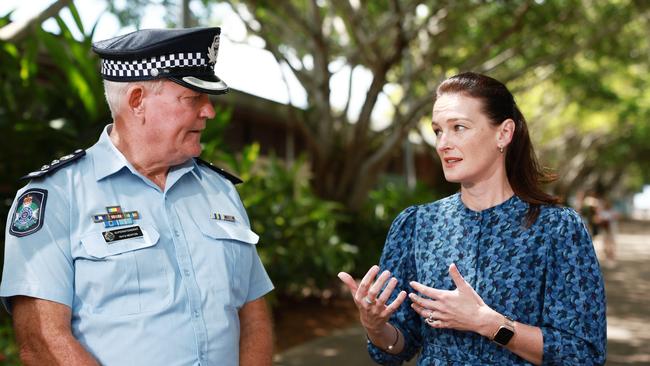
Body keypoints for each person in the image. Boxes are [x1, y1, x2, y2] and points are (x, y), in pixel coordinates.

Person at [1, 27, 274, 366]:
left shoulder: (220, 191)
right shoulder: (56, 196)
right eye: (193, 98)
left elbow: (253, 313)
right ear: (137, 101)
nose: (209, 112)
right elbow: (42, 341)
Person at [338, 72, 606, 365]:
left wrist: (487, 323)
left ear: (503, 133)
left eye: (459, 127)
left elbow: (583, 355)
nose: (443, 143)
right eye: (438, 130)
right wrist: (375, 326)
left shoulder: (557, 229)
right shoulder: (416, 225)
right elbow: (399, 346)